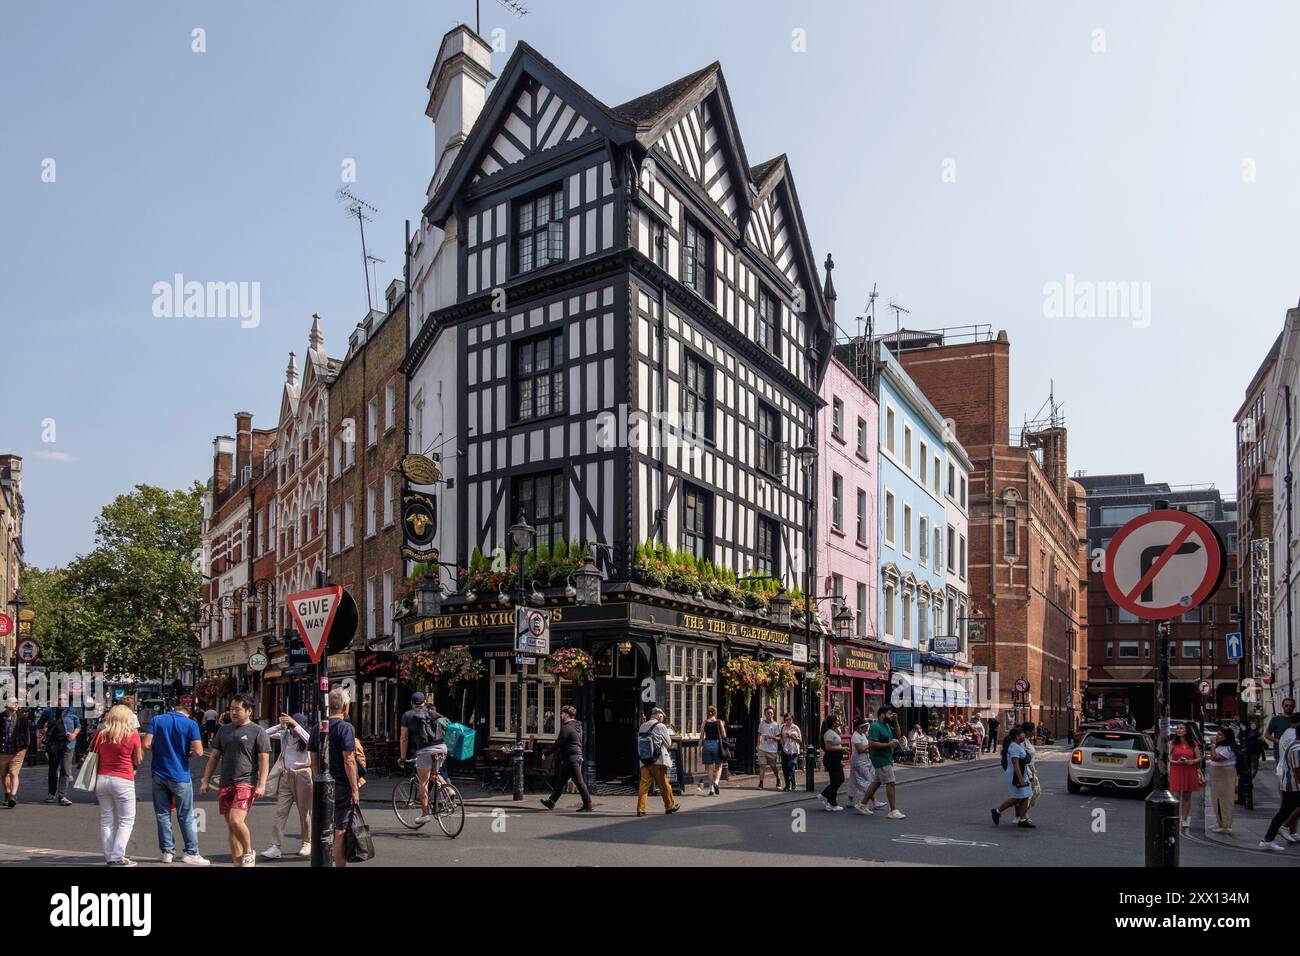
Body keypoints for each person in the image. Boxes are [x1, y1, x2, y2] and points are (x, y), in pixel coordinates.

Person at [201, 694, 270, 867]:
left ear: (249, 711)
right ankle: (237, 863)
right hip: (226, 782)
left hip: (246, 782)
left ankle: (248, 851)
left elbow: (264, 760)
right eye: (231, 709)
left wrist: (262, 784)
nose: (233, 712)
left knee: (235, 820)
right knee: (232, 827)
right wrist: (206, 780)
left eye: (238, 709)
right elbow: (214, 757)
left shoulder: (257, 731)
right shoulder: (224, 730)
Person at [142, 698, 209, 865]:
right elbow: (200, 752)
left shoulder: (157, 720)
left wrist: (160, 750)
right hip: (180, 776)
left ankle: (167, 852)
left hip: (159, 774)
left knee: (162, 814)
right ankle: (191, 852)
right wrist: (187, 755)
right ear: (186, 714)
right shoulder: (190, 724)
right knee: (185, 815)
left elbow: (146, 744)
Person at [309, 688, 360, 867]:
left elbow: (313, 761)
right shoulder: (346, 728)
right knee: (340, 830)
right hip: (342, 786)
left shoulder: (317, 728)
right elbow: (349, 760)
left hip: (322, 785)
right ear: (345, 706)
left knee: (323, 827)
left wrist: (318, 782)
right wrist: (355, 789)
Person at [90, 704, 143, 866]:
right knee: (126, 820)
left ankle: (109, 856)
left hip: (102, 779)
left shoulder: (101, 734)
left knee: (106, 819)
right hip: (123, 779)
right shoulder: (132, 735)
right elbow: (138, 760)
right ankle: (117, 856)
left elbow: (93, 753)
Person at [261, 713, 313, 859]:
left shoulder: (306, 737)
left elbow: (311, 741)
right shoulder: (285, 735)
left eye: (294, 727)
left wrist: (296, 725)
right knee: (280, 812)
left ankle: (307, 843)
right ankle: (275, 846)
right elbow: (264, 734)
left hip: (303, 775)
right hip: (286, 775)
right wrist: (281, 725)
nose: (292, 730)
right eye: (290, 727)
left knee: (305, 813)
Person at [398, 692, 450, 823]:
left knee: (423, 781)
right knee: (434, 774)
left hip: (424, 750)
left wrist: (403, 757)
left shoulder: (407, 715)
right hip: (442, 747)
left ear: (411, 703)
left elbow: (404, 738)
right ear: (424, 702)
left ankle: (425, 814)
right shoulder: (432, 712)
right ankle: (449, 790)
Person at [541, 704, 593, 812]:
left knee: (579, 782)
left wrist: (546, 753)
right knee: (560, 782)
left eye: (562, 713)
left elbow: (558, 743)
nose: (561, 715)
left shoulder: (566, 728)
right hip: (573, 757)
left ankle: (588, 804)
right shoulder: (577, 726)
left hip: (571, 759)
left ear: (567, 715)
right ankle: (551, 802)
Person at [861, 705, 906, 819]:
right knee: (891, 782)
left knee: (876, 782)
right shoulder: (876, 726)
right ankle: (893, 810)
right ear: (882, 714)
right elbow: (871, 744)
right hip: (880, 758)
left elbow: (898, 734)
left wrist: (895, 721)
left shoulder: (886, 725)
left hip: (886, 757)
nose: (892, 715)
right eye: (890, 713)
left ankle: (862, 804)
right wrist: (888, 745)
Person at [36, 695, 80, 805]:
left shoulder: (72, 711)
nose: (61, 701)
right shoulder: (49, 711)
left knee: (65, 769)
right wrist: (44, 734)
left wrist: (74, 734)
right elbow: (39, 724)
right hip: (53, 744)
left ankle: (62, 796)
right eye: (59, 699)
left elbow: (78, 726)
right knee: (53, 769)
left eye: (64, 699)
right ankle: (51, 793)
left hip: (68, 744)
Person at [636, 708, 678, 816]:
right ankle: (670, 806)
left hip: (644, 760)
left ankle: (641, 809)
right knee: (664, 784)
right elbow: (668, 743)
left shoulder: (642, 726)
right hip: (657, 760)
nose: (662, 720)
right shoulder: (661, 726)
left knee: (644, 785)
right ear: (659, 717)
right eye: (662, 718)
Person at [992, 726, 1033, 827]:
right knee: (1017, 797)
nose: (1024, 735)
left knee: (1025, 796)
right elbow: (1016, 764)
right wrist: (1020, 780)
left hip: (1022, 774)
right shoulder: (1014, 747)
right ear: (1017, 736)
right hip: (1015, 775)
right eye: (1022, 733)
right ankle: (997, 811)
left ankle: (1022, 819)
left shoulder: (1018, 745)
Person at [1168, 722, 1201, 830]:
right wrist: (1176, 762)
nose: (1178, 730)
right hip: (1176, 769)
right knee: (1176, 796)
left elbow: (1199, 758)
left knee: (1187, 796)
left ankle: (1185, 818)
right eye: (1177, 728)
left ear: (1186, 731)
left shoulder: (1193, 744)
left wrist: (1191, 761)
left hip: (1189, 770)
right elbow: (1167, 758)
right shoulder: (1172, 743)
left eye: (1181, 728)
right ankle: (1175, 817)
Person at [1205, 726, 1237, 834]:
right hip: (1216, 775)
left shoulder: (1229, 748)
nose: (1217, 736)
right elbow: (1213, 757)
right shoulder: (1221, 746)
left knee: (1224, 800)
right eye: (1217, 734)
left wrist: (1213, 745)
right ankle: (1220, 822)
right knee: (1216, 799)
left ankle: (1226, 825)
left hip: (1225, 774)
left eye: (1220, 735)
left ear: (1227, 736)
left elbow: (1216, 758)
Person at [0, 698, 30, 808]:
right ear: (6, 705)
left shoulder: (22, 718)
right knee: (4, 775)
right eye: (13, 703)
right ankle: (8, 793)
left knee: (13, 773)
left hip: (18, 750)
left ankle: (13, 796)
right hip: (3, 751)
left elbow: (26, 734)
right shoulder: (1, 717)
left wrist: (24, 747)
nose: (16, 704)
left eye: (17, 702)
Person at [846, 718, 876, 814]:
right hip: (859, 762)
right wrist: (869, 746)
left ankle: (849, 801)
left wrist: (867, 748)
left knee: (853, 781)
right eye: (865, 728)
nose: (867, 730)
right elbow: (859, 749)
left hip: (865, 760)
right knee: (868, 781)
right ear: (860, 728)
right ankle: (874, 801)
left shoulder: (862, 734)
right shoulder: (855, 736)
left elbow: (864, 748)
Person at [817, 713, 845, 811]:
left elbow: (840, 734)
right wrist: (841, 750)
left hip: (836, 758)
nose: (839, 722)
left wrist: (837, 728)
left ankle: (828, 799)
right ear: (833, 723)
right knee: (836, 780)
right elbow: (828, 748)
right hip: (832, 758)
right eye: (837, 721)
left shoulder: (833, 731)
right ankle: (830, 800)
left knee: (839, 779)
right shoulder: (828, 733)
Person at [697, 705, 726, 796]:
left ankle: (711, 789)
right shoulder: (719, 722)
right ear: (715, 713)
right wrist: (723, 726)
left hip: (707, 745)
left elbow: (701, 736)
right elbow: (724, 735)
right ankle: (716, 783)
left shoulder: (704, 722)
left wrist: (699, 748)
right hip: (717, 745)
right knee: (718, 766)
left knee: (709, 768)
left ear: (708, 713)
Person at [756, 706, 782, 790]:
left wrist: (770, 737)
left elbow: (779, 738)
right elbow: (759, 734)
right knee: (762, 765)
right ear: (765, 714)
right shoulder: (762, 723)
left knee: (773, 766)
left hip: (772, 749)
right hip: (762, 748)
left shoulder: (775, 725)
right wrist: (758, 745)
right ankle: (761, 783)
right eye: (768, 713)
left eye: (771, 713)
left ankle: (778, 779)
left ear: (773, 714)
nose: (769, 715)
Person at [1020, 721, 1041, 822]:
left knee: (1032, 793)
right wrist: (1029, 774)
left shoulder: (1027, 740)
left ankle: (1022, 815)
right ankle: (1022, 816)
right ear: (1029, 731)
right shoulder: (1023, 742)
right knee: (1030, 793)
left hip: (1032, 770)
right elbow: (1022, 759)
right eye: (1033, 730)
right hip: (1027, 771)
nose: (1035, 731)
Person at [779, 713, 802, 792]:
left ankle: (793, 782)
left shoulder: (796, 728)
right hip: (785, 749)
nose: (788, 721)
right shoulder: (782, 727)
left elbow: (800, 740)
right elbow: (780, 737)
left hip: (793, 750)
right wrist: (781, 740)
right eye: (786, 720)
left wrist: (792, 736)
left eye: (789, 719)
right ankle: (787, 785)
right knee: (785, 768)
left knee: (790, 766)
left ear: (792, 720)